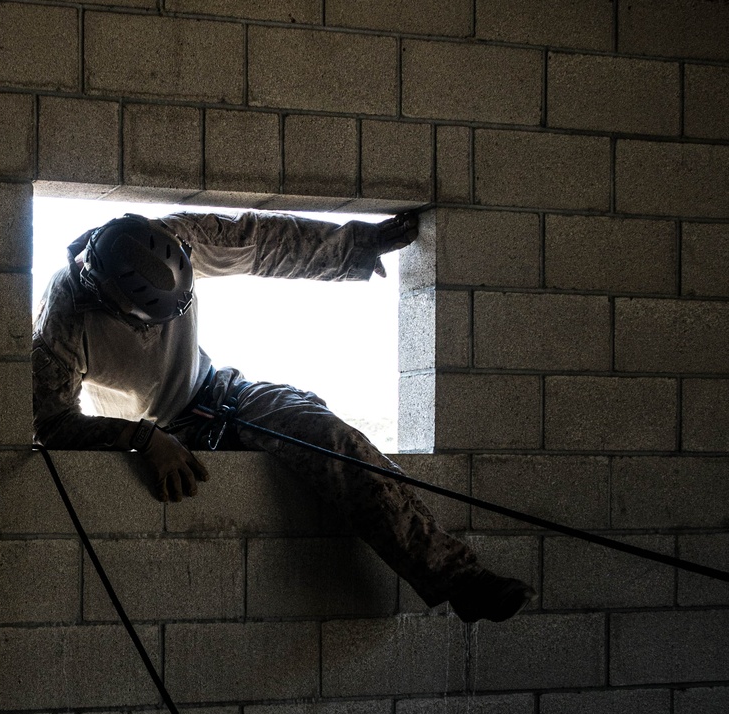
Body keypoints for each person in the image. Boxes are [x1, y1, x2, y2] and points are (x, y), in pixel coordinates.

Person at [33, 209, 535, 623]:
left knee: (332, 439)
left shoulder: (174, 238)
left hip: (222, 394)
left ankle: (461, 579)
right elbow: (53, 425)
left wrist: (351, 247)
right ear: (115, 307)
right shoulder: (62, 324)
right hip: (162, 433)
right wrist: (145, 440)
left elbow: (260, 242)